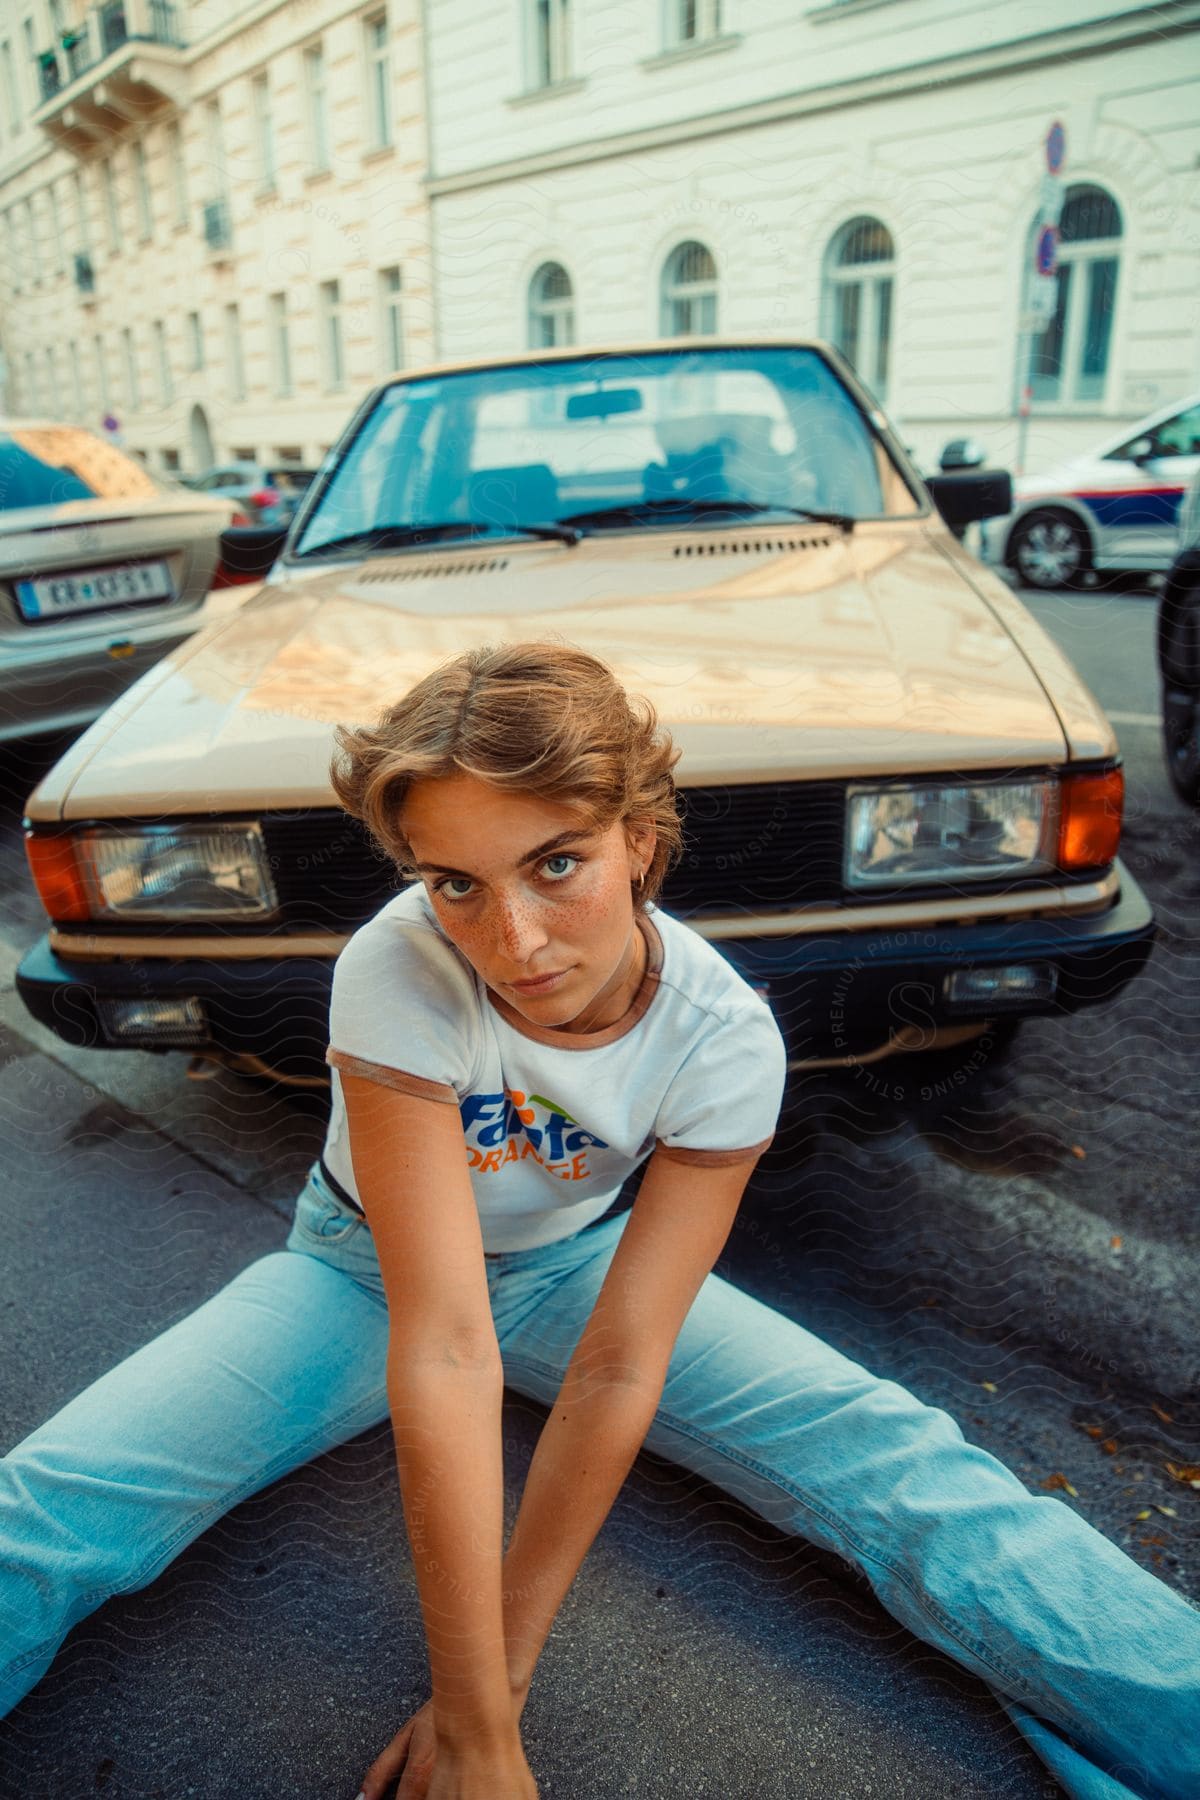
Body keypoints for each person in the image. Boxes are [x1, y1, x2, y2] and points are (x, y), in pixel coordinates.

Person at [0, 641, 1197, 1800]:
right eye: (455, 881)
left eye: (556, 864)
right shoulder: (397, 967)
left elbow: (624, 1363)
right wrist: (472, 1724)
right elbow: (445, 1342)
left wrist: (492, 1705)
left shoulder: (724, 1039)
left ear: (639, 837)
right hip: (357, 1270)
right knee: (55, 1504)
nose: (511, 941)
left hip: (579, 1265)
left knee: (907, 1462)